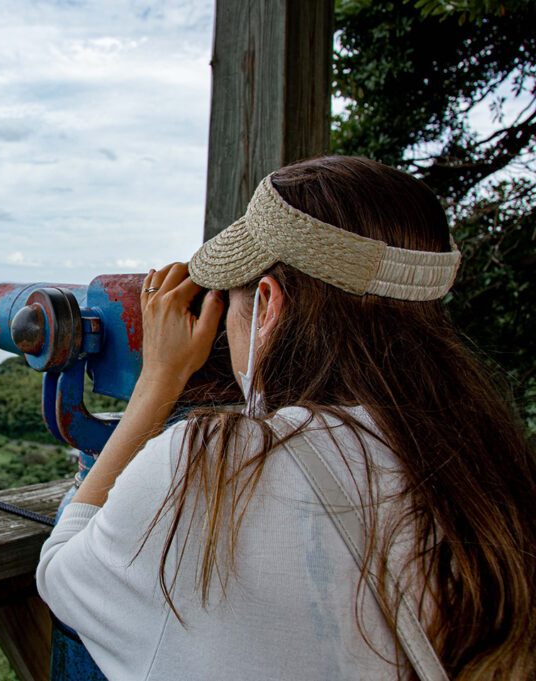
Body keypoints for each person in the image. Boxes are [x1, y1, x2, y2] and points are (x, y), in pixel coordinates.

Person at [35, 156, 536, 681]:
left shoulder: (207, 466)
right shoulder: (492, 464)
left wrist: (157, 382)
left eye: (229, 300)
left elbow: (63, 574)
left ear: (270, 303)